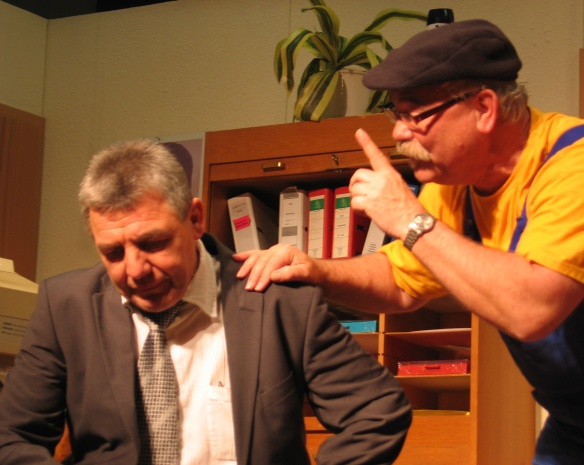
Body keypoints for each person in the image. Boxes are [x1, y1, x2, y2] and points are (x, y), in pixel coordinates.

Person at [235, 19, 584, 465]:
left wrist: (410, 219)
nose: (399, 133)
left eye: (415, 115)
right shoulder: (455, 182)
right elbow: (402, 280)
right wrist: (316, 270)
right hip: (581, 423)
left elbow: (532, 309)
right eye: (396, 115)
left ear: (484, 108)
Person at [0, 140, 412, 464]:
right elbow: (12, 437)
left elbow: (377, 411)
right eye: (113, 253)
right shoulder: (64, 307)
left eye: (153, 243)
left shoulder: (279, 303)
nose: (135, 270)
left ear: (195, 219)